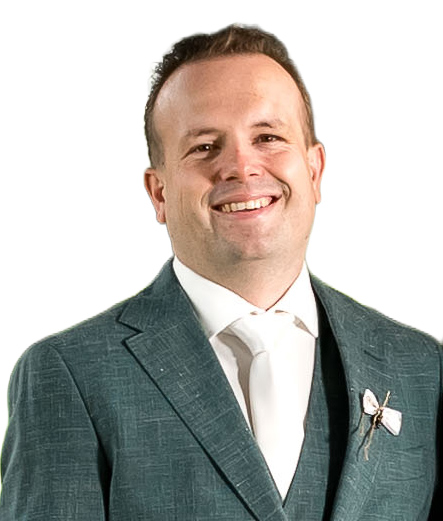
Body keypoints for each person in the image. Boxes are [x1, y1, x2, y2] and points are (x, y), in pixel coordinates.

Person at [0, 24, 441, 520]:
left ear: (315, 171)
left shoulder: (421, 366)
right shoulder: (68, 373)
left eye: (268, 137)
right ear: (159, 192)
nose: (241, 166)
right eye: (205, 146)